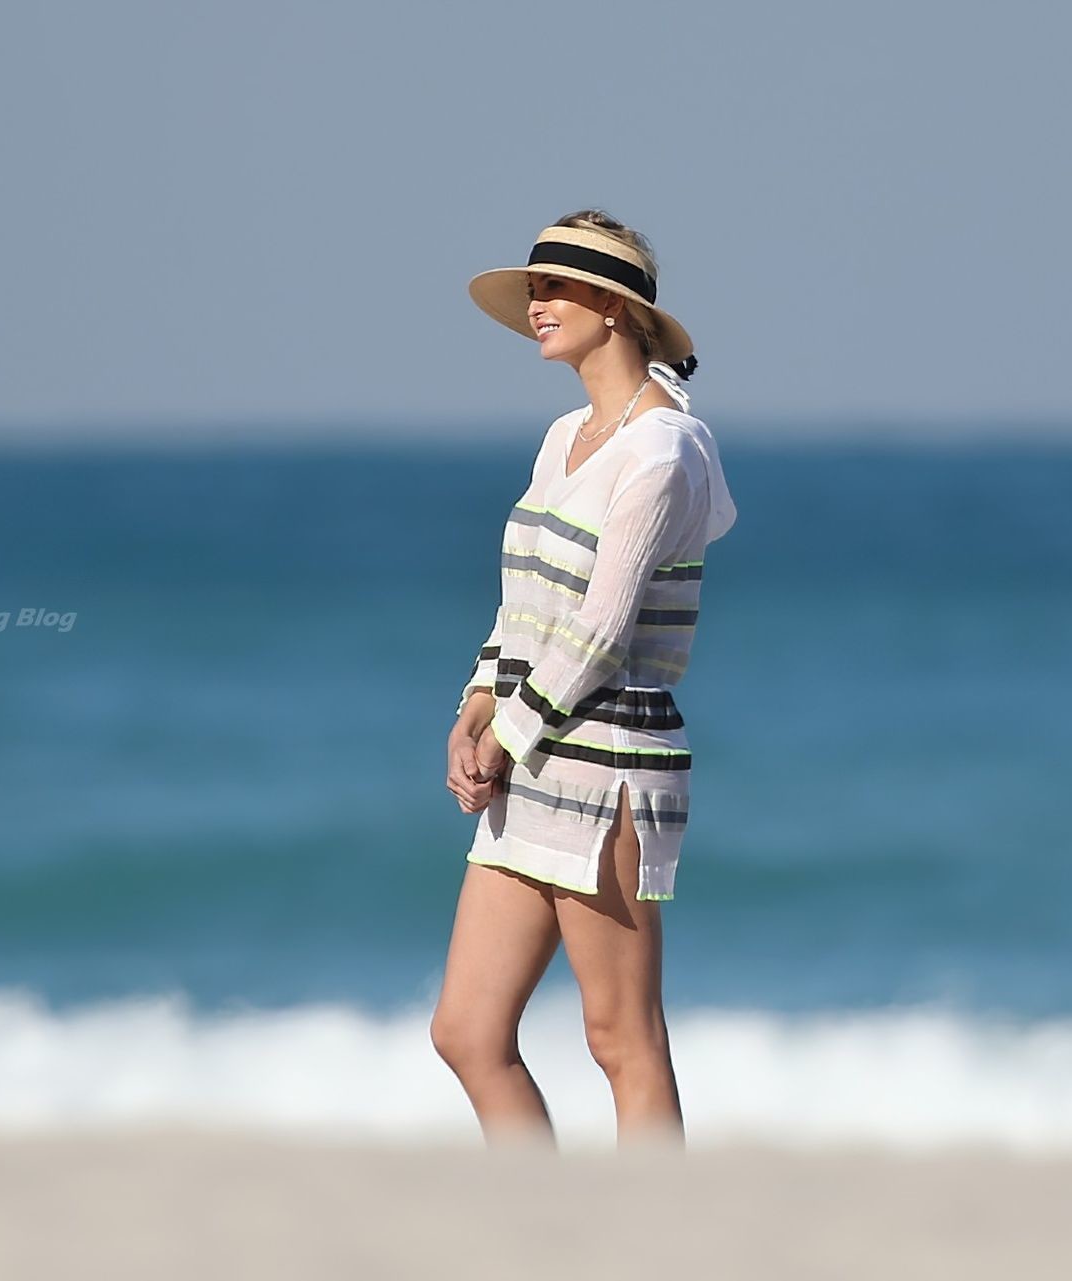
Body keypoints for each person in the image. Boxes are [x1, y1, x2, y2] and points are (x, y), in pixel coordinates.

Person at [429, 210, 738, 1152]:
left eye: (553, 288)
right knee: (467, 1032)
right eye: (532, 291)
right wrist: (474, 706)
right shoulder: (566, 434)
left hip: (609, 761)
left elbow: (602, 628)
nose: (536, 306)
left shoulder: (664, 450)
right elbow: (526, 604)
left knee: (621, 1038)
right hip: (535, 751)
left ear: (613, 307)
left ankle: (656, 1228)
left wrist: (506, 735)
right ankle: (546, 1223)